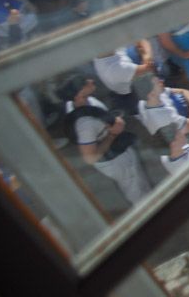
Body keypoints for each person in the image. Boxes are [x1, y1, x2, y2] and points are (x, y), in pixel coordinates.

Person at [61, 75, 152, 207]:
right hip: (114, 160)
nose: (90, 81)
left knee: (141, 183)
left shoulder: (83, 102)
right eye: (85, 83)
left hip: (120, 150)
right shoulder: (84, 125)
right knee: (136, 193)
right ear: (78, 95)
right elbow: (90, 158)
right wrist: (112, 134)